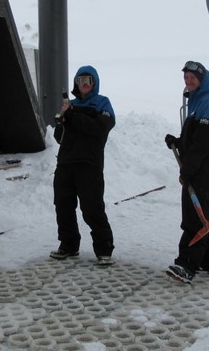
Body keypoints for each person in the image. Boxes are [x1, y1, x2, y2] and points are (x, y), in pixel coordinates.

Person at [164, 61, 209, 283]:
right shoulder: (198, 102)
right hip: (199, 170)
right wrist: (178, 142)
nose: (188, 81)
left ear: (202, 79)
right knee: (201, 217)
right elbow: (195, 139)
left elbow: (203, 144)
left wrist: (189, 170)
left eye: (192, 77)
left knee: (196, 220)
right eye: (186, 77)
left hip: (204, 173)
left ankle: (186, 265)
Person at [50, 65, 116, 266]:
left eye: (88, 80)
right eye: (79, 81)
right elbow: (60, 138)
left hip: (89, 164)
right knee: (63, 205)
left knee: (92, 208)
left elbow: (99, 128)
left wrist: (72, 116)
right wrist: (62, 121)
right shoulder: (71, 105)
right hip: (66, 163)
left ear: (94, 83)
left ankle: (104, 249)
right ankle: (68, 245)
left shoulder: (102, 103)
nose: (84, 85)